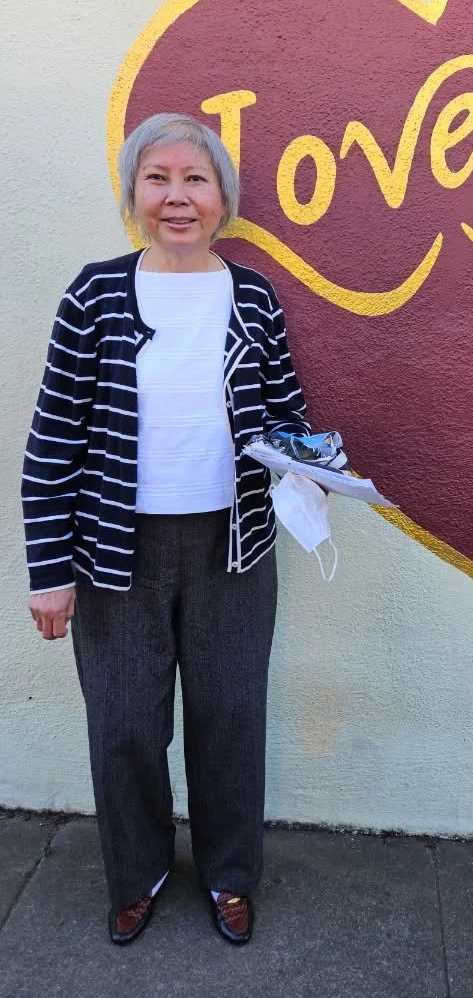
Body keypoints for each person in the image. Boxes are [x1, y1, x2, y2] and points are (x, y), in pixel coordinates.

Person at [22, 113, 312, 946]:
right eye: (159, 179)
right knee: (123, 727)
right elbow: (52, 444)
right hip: (115, 552)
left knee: (229, 718)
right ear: (133, 195)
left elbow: (286, 412)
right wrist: (49, 569)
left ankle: (229, 875)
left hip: (234, 547)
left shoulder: (253, 294)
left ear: (222, 197)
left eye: (196, 179)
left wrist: (317, 464)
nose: (177, 197)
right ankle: (138, 875)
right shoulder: (94, 293)